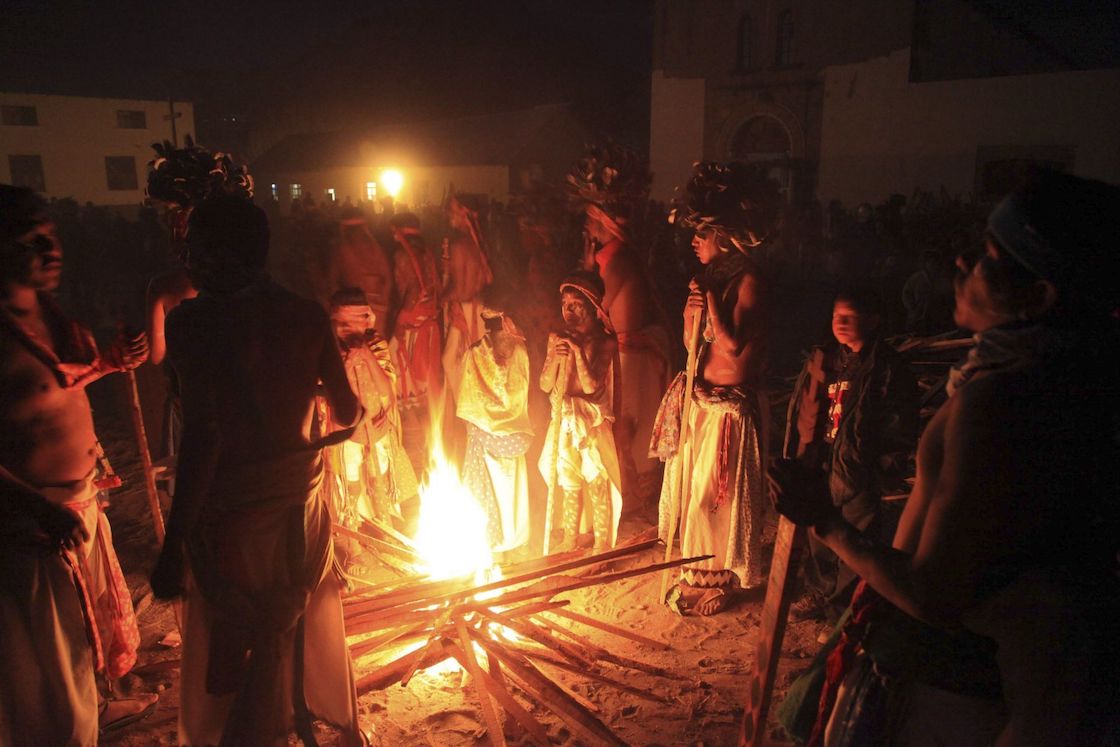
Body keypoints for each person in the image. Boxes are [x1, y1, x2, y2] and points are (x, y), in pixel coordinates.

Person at [772, 169, 1120, 746]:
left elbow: (933, 592)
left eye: (989, 256)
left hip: (947, 692)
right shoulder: (1055, 382)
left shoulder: (1002, 402)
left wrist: (823, 519)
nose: (962, 262)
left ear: (1039, 295)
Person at [149, 195, 366, 746]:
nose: (188, 260)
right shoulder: (307, 315)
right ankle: (296, 720)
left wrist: (174, 544)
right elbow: (347, 413)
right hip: (299, 511)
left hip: (231, 519)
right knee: (291, 629)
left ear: (220, 254)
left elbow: (203, 435)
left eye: (195, 248)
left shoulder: (192, 323)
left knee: (236, 645)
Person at [0, 185, 153, 744]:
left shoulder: (47, 314)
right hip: (32, 534)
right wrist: (34, 508)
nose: (50, 250)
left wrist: (111, 363)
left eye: (51, 235)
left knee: (84, 649)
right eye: (30, 240)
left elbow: (56, 387)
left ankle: (93, 715)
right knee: (51, 676)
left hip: (78, 509)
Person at [652, 162, 778, 615]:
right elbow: (694, 346)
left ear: (723, 237)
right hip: (702, 405)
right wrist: (692, 312)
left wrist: (707, 298)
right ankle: (695, 573)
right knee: (693, 491)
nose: (694, 241)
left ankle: (719, 579)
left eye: (701, 234)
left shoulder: (748, 281)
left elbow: (732, 343)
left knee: (715, 498)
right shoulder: (716, 281)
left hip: (730, 412)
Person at [782, 287, 919, 624]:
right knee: (819, 531)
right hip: (822, 458)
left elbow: (900, 422)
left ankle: (842, 613)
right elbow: (802, 407)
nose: (840, 324)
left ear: (872, 321)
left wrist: (883, 466)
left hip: (859, 466)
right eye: (835, 316)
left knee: (855, 539)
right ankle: (820, 591)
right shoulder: (826, 360)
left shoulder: (886, 367)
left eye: (849, 317)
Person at [568, 145, 670, 513]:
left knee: (628, 425)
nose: (585, 226)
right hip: (627, 352)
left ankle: (631, 497)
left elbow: (598, 309)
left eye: (589, 218)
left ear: (601, 220)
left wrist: (585, 273)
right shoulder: (612, 256)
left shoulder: (617, 259)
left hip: (631, 357)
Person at [320, 288, 418, 547]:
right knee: (349, 484)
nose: (351, 329)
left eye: (357, 322)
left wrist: (365, 355)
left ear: (367, 320)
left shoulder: (375, 344)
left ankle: (386, 531)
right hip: (345, 431)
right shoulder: (327, 350)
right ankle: (353, 546)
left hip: (377, 425)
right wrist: (347, 364)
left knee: (380, 478)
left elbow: (387, 389)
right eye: (344, 324)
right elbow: (327, 394)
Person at [538, 271, 623, 552]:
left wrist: (576, 351)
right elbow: (544, 384)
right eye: (564, 304)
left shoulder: (604, 341)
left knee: (596, 478)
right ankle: (570, 539)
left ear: (591, 306)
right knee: (568, 479)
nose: (568, 311)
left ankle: (601, 544)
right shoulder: (556, 338)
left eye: (576, 304)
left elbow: (591, 386)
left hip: (591, 421)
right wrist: (556, 357)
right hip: (564, 417)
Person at [457, 305, 533, 558]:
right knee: (506, 491)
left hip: (501, 432)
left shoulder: (515, 351)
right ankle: (503, 545)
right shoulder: (483, 353)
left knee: (508, 491)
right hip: (494, 435)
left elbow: (518, 392)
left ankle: (509, 545)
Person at [389, 212, 442, 477]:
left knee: (405, 396)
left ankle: (415, 464)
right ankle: (430, 455)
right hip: (428, 329)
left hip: (412, 331)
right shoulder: (427, 253)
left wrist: (397, 328)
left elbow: (411, 293)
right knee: (423, 397)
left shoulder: (402, 255)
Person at [328, 209, 393, 336]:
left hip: (352, 309)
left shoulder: (341, 249)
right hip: (377, 309)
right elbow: (388, 280)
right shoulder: (376, 249)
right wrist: (383, 304)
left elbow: (332, 283)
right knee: (375, 345)